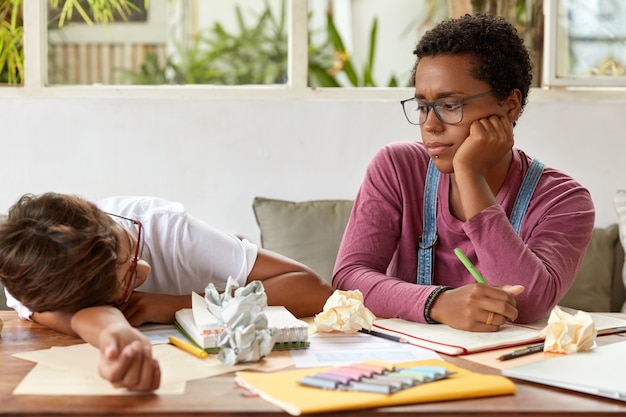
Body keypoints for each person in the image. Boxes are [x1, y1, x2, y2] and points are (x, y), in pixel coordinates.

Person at [333, 13, 594, 333]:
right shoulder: (397, 168)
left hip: (506, 367)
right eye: (422, 106)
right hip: (406, 362)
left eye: (450, 105)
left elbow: (527, 306)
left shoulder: (564, 200)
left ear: (510, 106)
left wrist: (469, 176)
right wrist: (437, 303)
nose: (430, 124)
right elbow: (349, 277)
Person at [0, 193, 333, 391]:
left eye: (128, 245)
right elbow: (79, 316)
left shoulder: (167, 229)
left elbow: (313, 290)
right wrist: (114, 334)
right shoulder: (36, 280)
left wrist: (177, 304)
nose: (142, 267)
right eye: (127, 280)